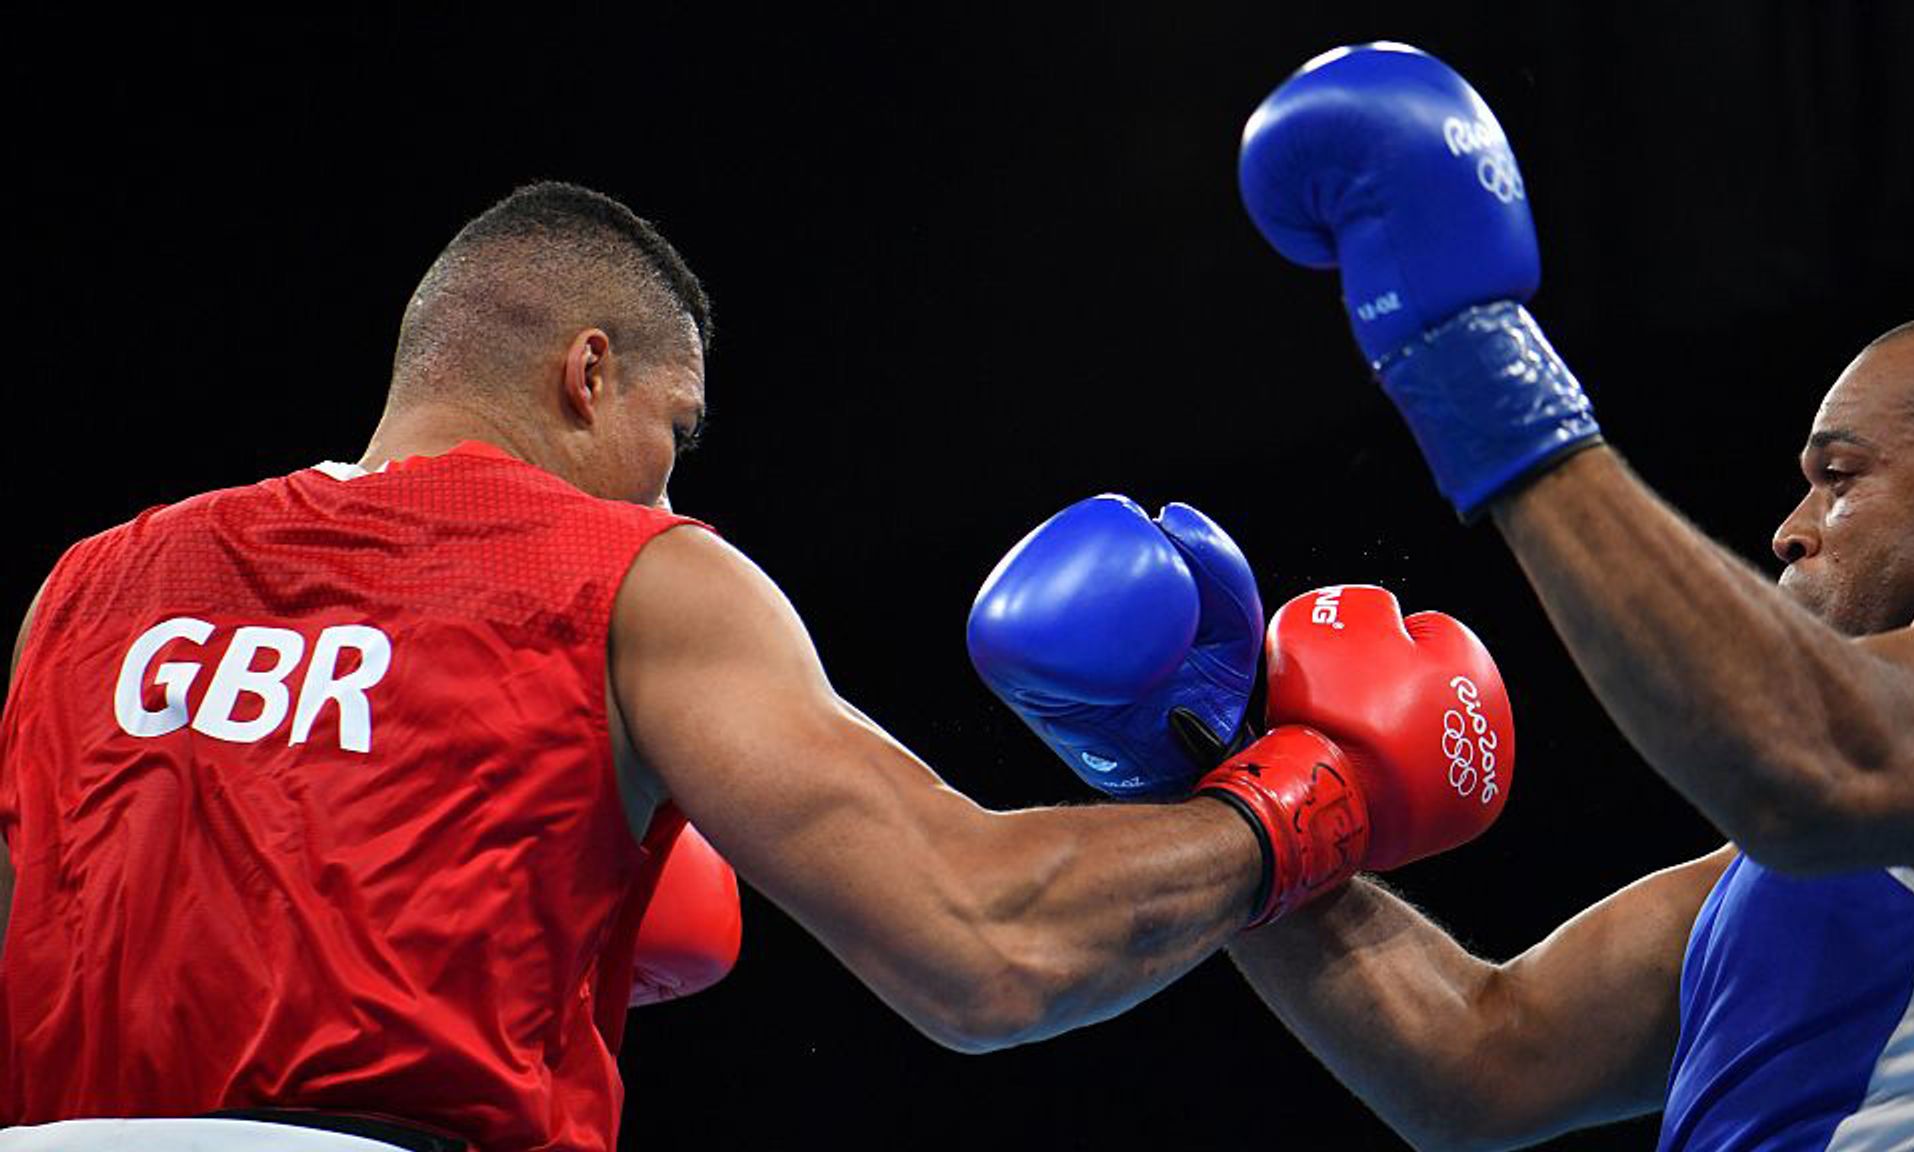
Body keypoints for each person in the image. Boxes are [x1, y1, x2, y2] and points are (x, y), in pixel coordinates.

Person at [0, 182, 1397, 1152]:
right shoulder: (630, 574)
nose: (670, 497)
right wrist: (1297, 807)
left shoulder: (91, 583)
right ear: (587, 373)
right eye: (673, 435)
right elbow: (984, 949)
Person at [1219, 44, 1914, 1149]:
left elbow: (1826, 761)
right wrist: (1219, 765)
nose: (1789, 530)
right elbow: (1484, 1060)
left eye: (1839, 477)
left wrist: (1472, 364)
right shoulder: (1783, 866)